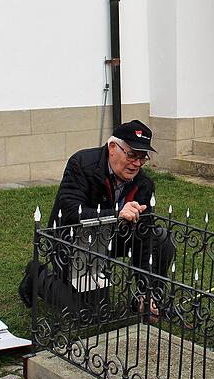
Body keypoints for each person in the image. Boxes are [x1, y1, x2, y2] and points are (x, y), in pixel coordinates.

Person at [19, 120, 174, 311]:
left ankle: (148, 299)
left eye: (142, 158)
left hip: (114, 239)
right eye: (132, 155)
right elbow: (71, 211)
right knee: (90, 312)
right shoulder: (82, 164)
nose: (137, 164)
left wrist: (146, 288)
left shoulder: (144, 184)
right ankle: (37, 275)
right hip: (74, 240)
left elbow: (144, 236)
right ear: (112, 147)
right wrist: (116, 215)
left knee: (162, 238)